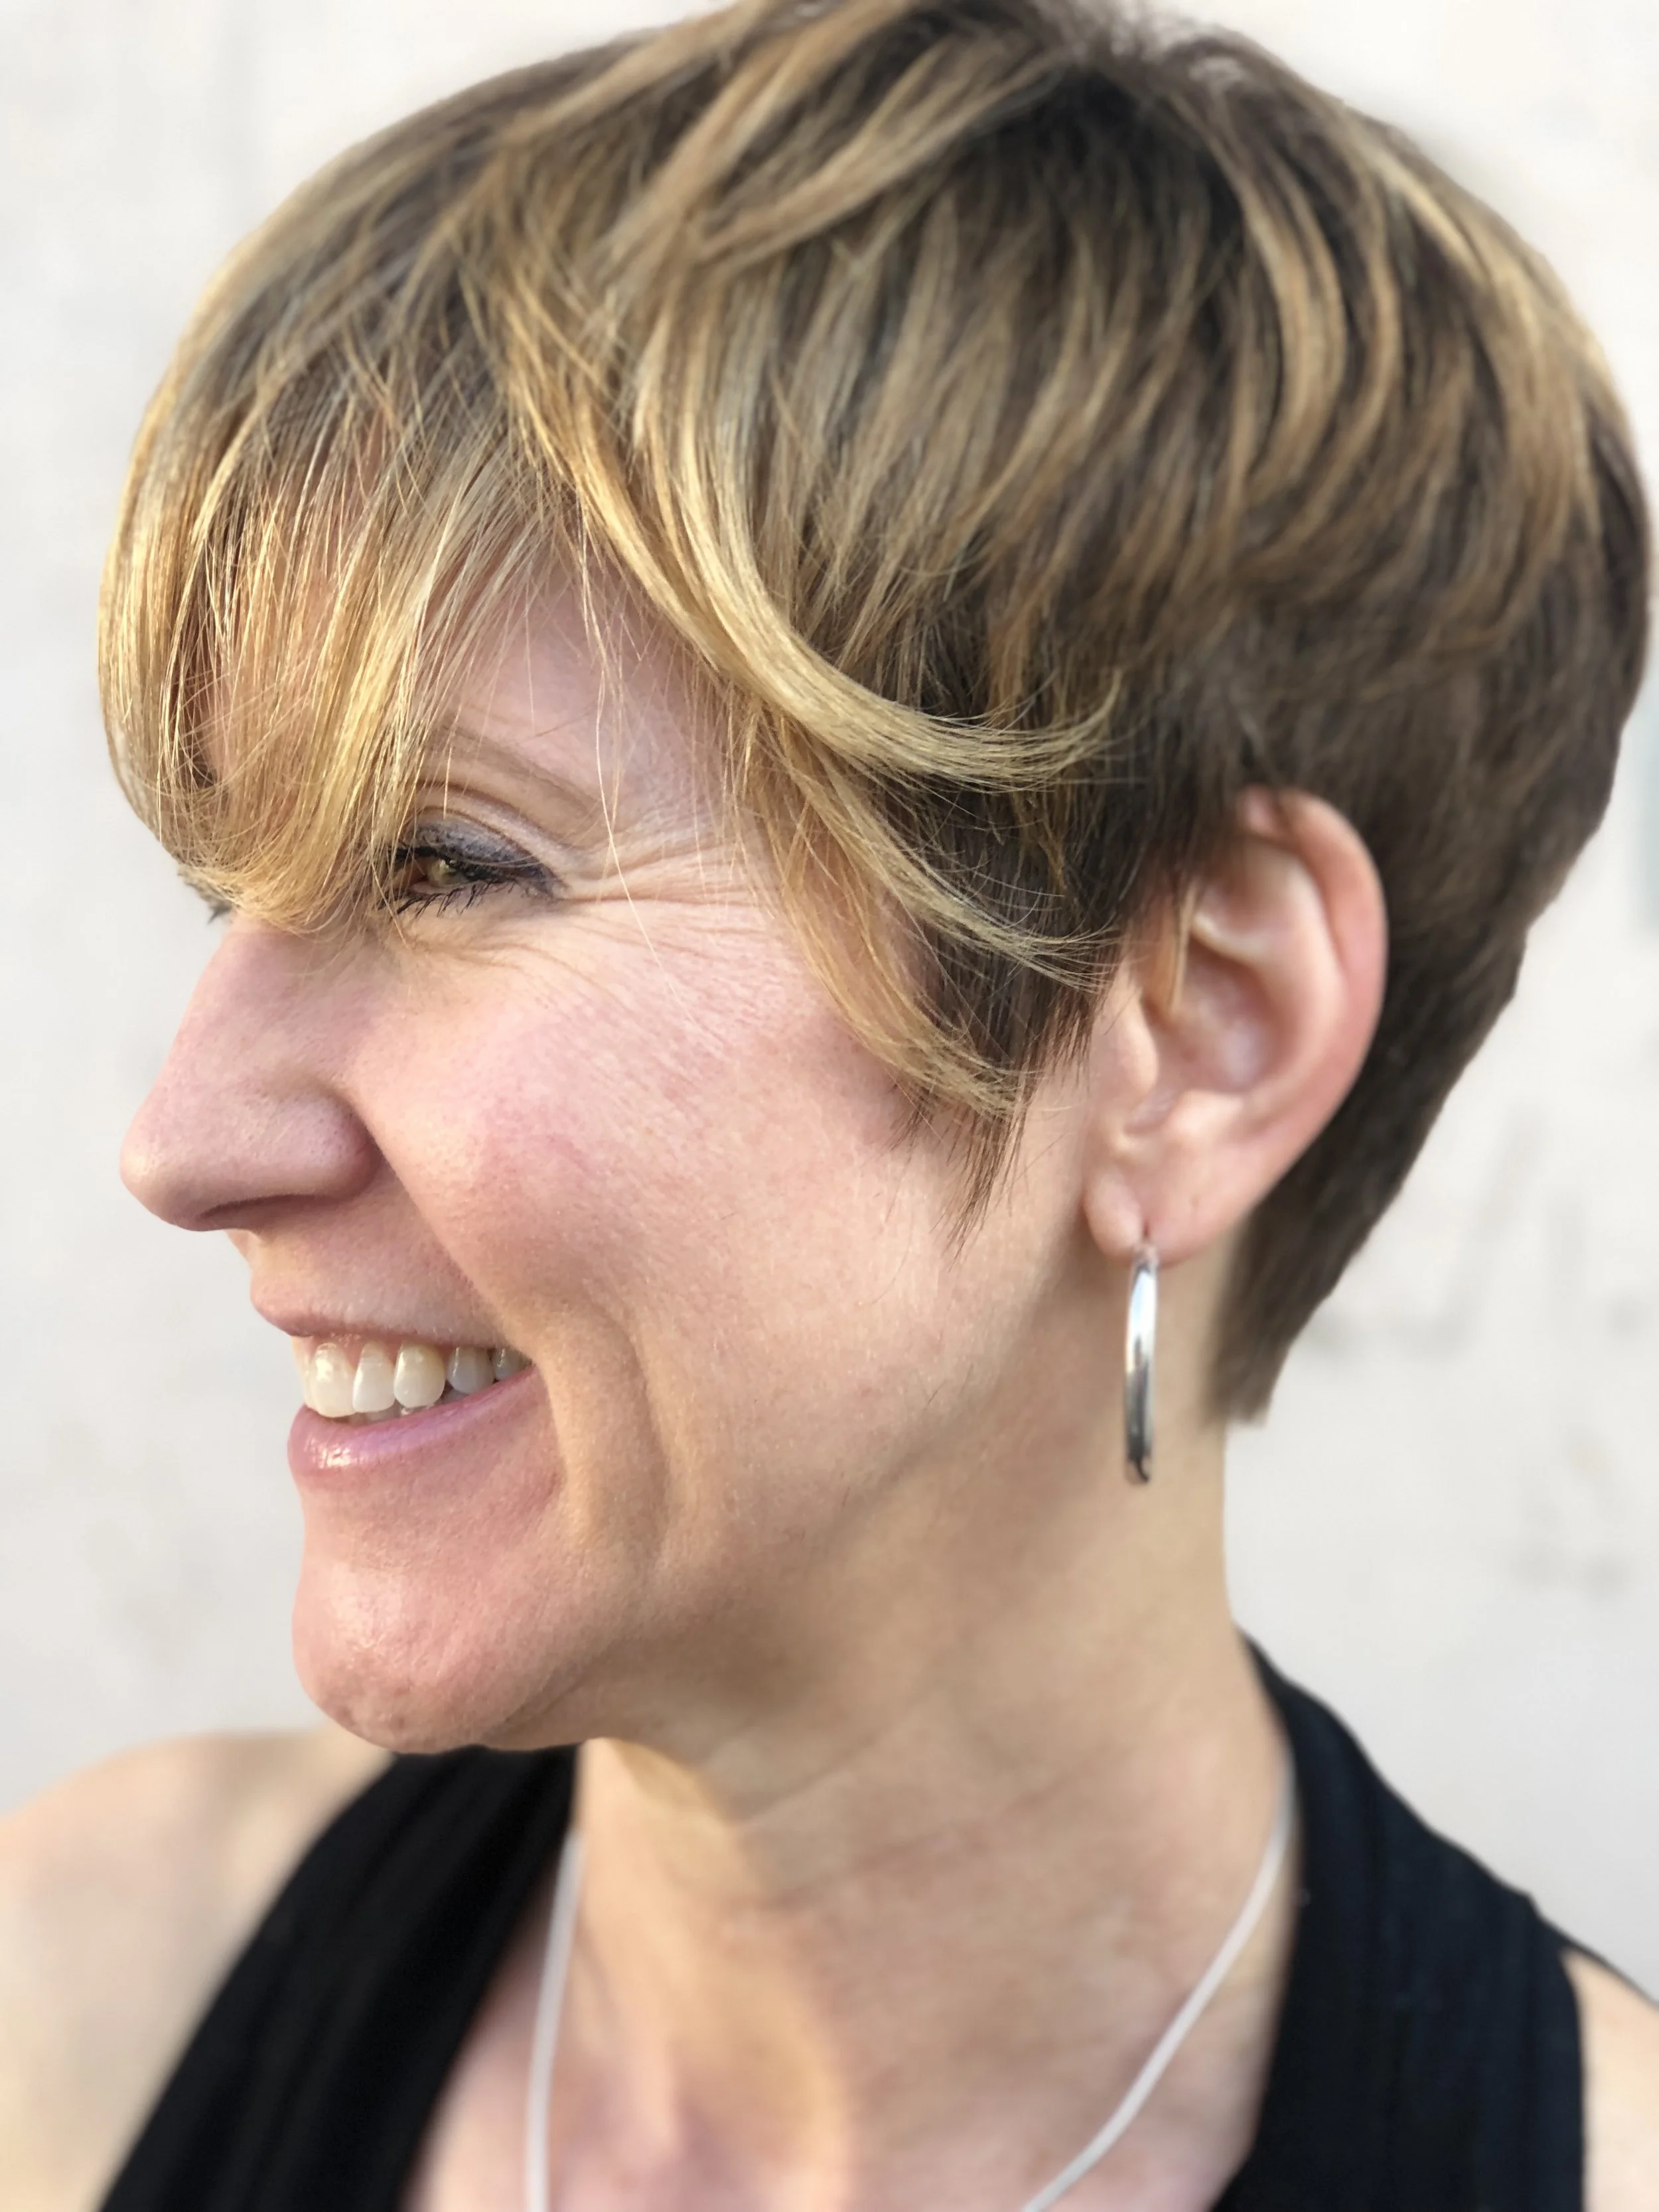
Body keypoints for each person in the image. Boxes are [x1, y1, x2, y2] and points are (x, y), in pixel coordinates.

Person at [2, 0, 1654, 2203]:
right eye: (231, 886)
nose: (183, 1139)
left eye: (448, 864)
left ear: (1194, 1028)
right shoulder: (84, 2016)